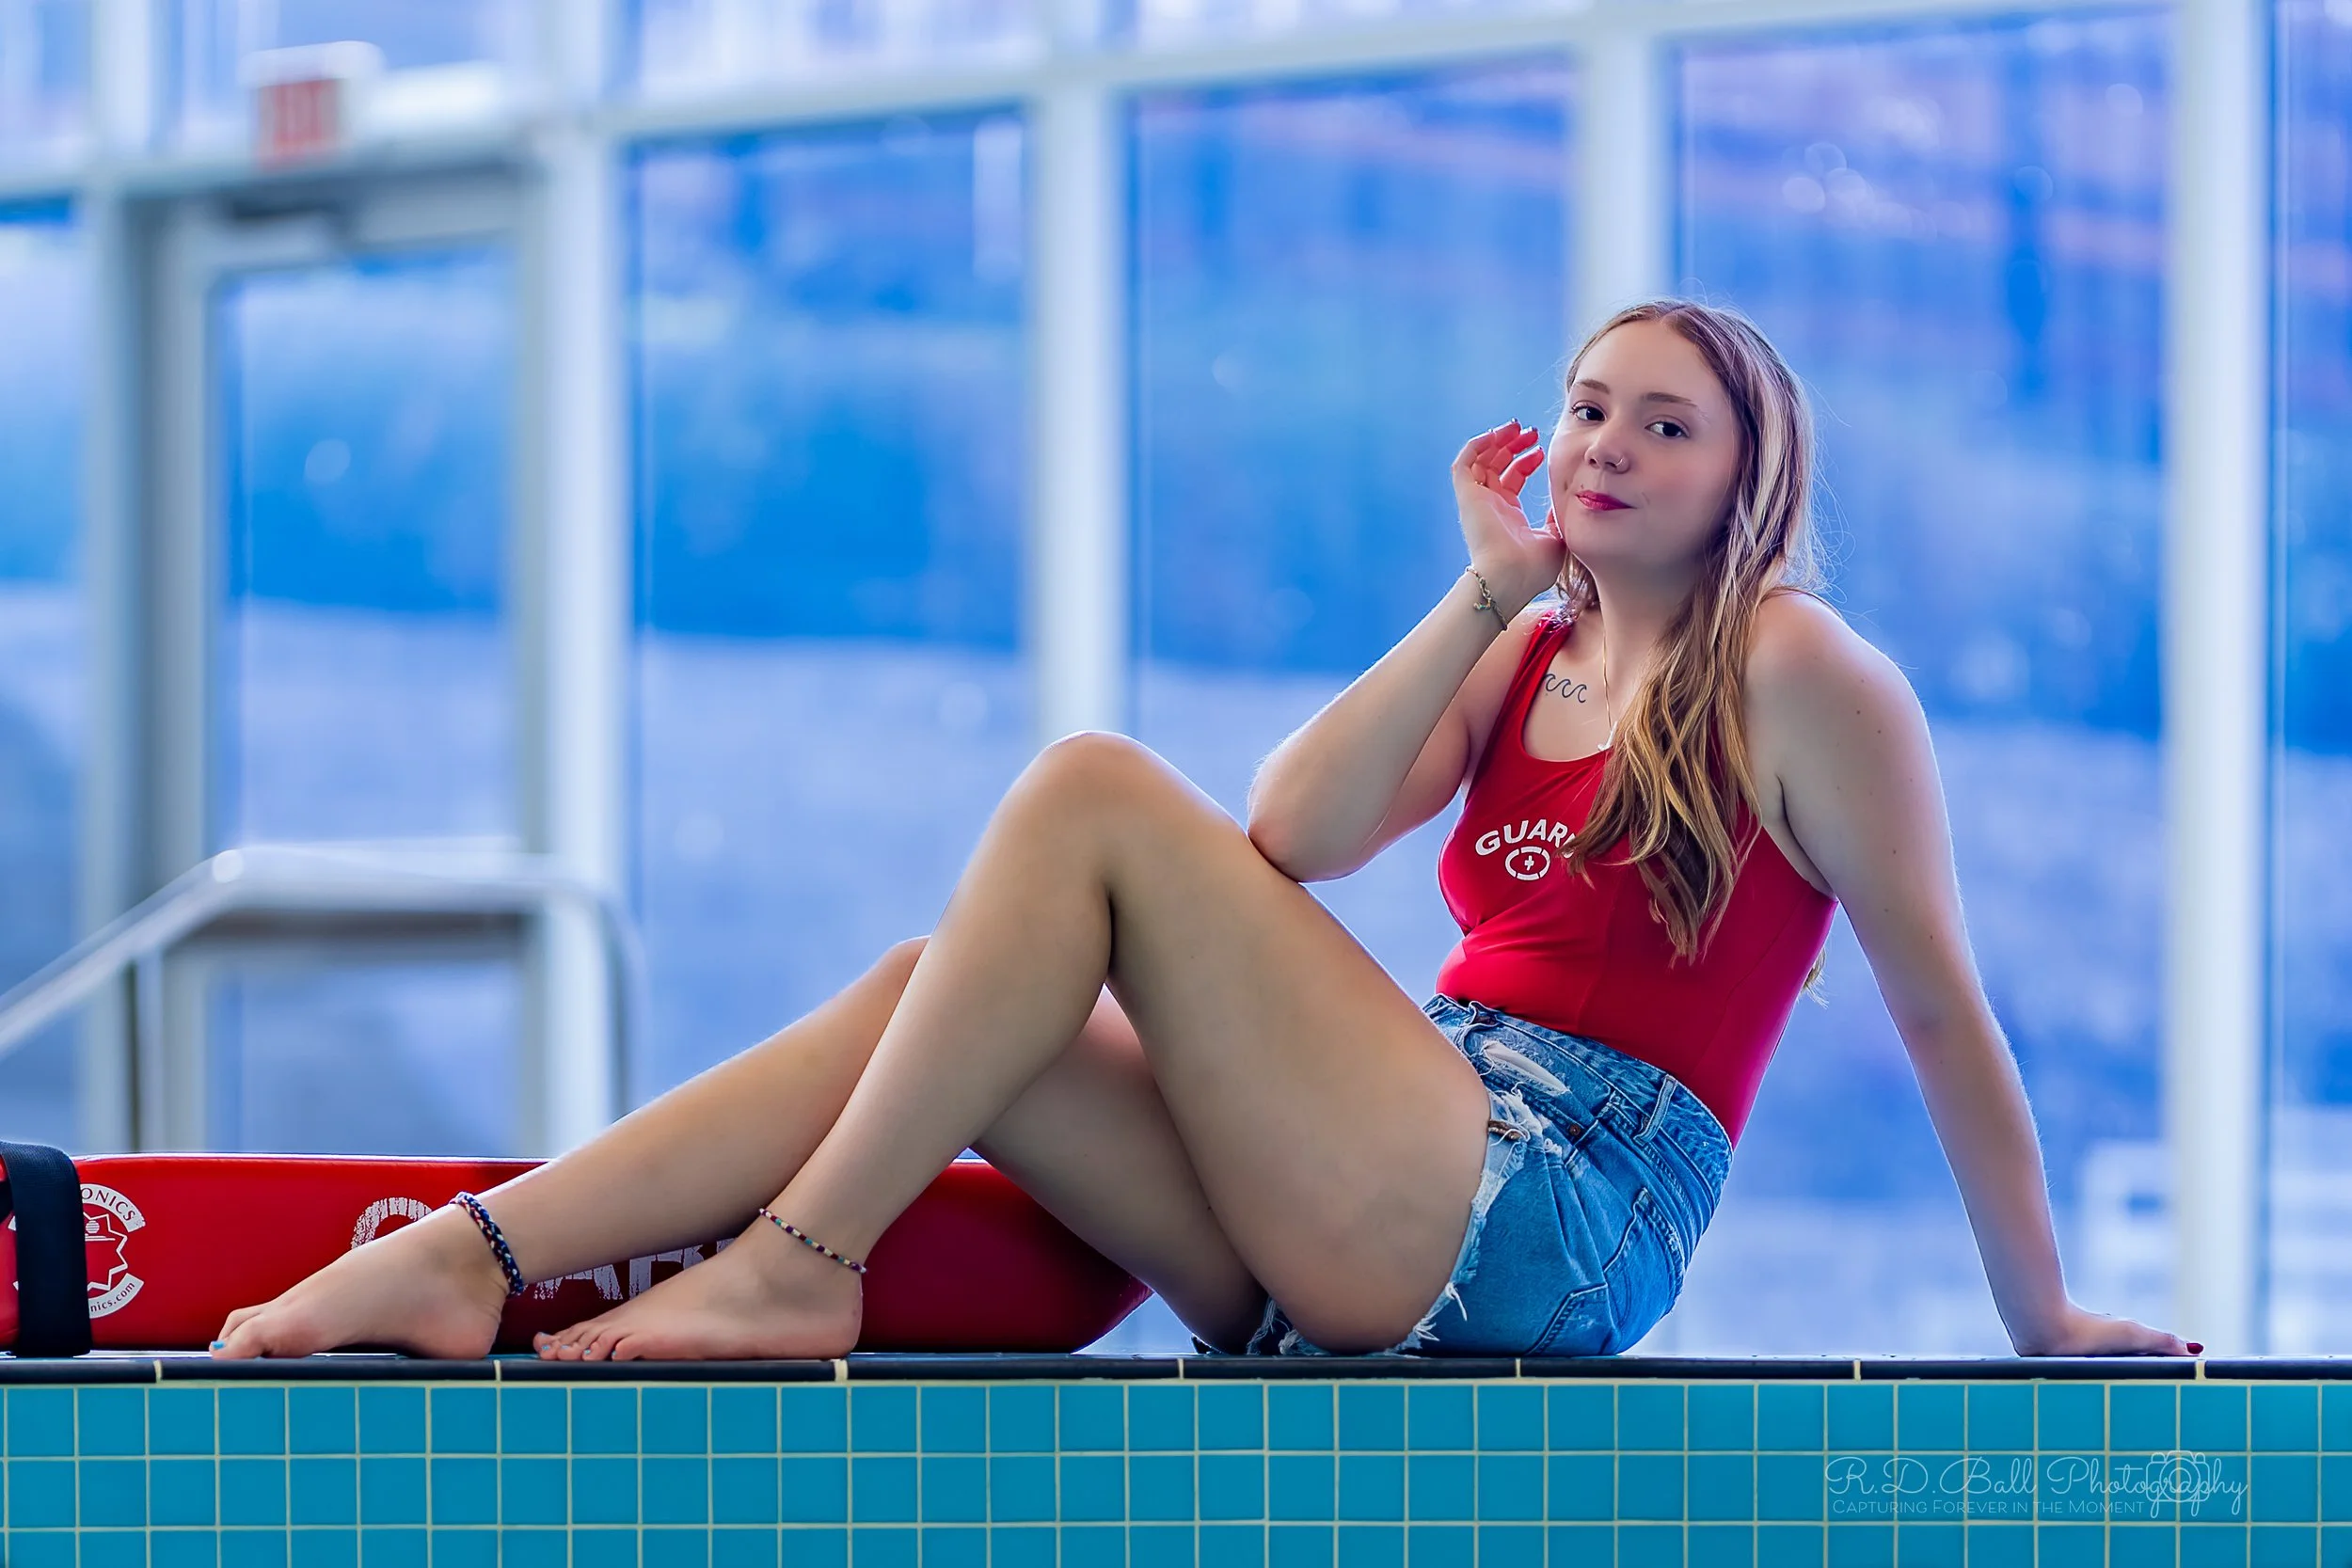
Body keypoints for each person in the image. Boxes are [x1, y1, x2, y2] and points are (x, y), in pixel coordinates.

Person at [209, 298, 2196, 1363]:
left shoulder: (1799, 666)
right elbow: (1291, 830)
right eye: (1583, 407)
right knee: (938, 988)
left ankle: (793, 1259)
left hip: (1556, 1201)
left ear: (1749, 467)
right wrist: (1482, 595)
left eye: (1659, 422)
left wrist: (2035, 1312)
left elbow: (1938, 1006)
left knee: (1086, 792)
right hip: (1390, 1159)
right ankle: (477, 1252)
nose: (1599, 445)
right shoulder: (1525, 651)